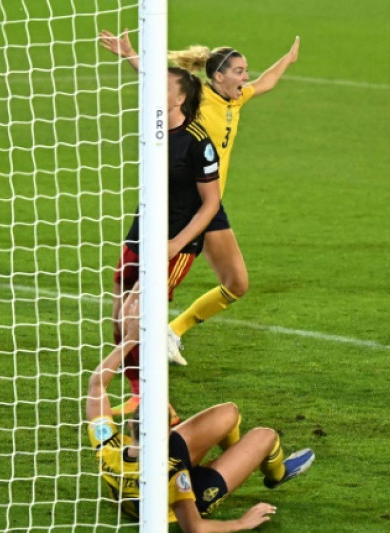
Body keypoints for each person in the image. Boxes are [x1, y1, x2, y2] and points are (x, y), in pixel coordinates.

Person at [99, 29, 301, 364]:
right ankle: (130, 360)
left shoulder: (236, 98)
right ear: (218, 76)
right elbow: (161, 84)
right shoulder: (201, 97)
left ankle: (171, 331)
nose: (245, 77)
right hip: (186, 204)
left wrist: (288, 58)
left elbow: (266, 81)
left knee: (236, 283)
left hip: (210, 203)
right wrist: (130, 54)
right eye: (239, 71)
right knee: (144, 291)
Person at [86, 295, 315, 531]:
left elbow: (96, 386)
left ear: (131, 425)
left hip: (152, 468)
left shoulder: (109, 448)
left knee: (229, 413)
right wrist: (242, 522)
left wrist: (130, 339)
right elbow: (194, 528)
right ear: (167, 432)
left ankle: (237, 459)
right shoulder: (175, 475)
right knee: (265, 436)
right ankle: (277, 475)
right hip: (186, 497)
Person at [109, 66, 220, 417]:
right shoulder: (152, 127)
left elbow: (211, 203)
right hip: (141, 231)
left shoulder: (198, 142)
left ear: (180, 98)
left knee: (136, 313)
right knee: (118, 315)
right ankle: (138, 391)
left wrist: (176, 243)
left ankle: (154, 401)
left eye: (165, 87)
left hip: (176, 242)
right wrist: (129, 55)